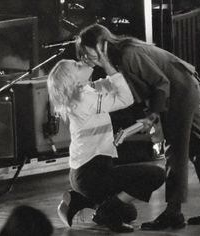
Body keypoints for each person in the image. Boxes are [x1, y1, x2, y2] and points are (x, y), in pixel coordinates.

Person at [76, 23, 200, 230]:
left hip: (179, 92)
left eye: (87, 53)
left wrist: (152, 116)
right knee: (197, 148)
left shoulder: (129, 54)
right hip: (183, 88)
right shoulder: (119, 56)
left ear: (100, 44)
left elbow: (161, 84)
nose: (86, 59)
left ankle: (173, 213)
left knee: (175, 151)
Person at [47, 56, 165, 233]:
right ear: (74, 81)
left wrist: (102, 64)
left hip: (87, 173)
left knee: (129, 213)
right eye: (78, 66)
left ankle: (80, 200)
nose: (83, 64)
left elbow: (108, 83)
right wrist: (108, 65)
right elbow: (125, 99)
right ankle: (102, 209)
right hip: (91, 175)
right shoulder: (83, 99)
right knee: (156, 175)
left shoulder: (84, 90)